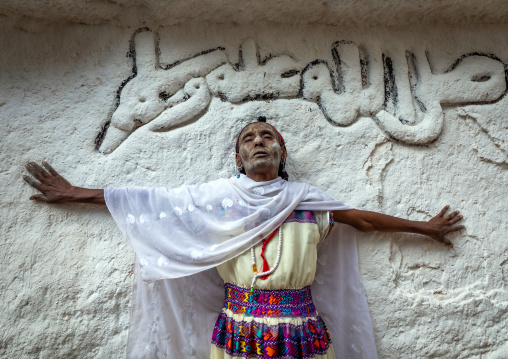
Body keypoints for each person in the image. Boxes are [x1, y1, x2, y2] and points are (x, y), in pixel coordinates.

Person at [23, 119, 464, 359]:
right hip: (239, 331)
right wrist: (76, 192)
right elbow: (151, 204)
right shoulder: (219, 200)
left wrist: (424, 227)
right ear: (238, 156)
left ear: (281, 152)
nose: (258, 143)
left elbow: (364, 222)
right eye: (248, 139)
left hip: (300, 331)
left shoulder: (306, 201)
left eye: (267, 136)